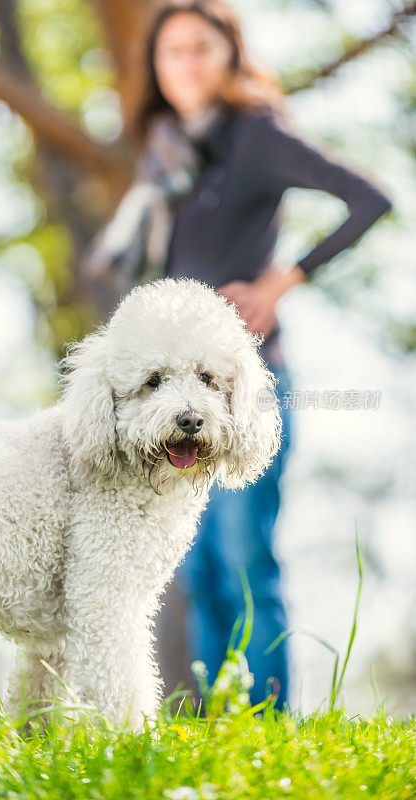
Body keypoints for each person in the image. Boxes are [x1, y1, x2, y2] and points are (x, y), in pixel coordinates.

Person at [81, 0, 393, 713]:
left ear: (230, 54)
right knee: (195, 569)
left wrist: (281, 281)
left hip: (243, 383)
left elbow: (368, 199)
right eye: (172, 52)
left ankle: (271, 726)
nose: (185, 63)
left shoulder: (256, 134)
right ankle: (222, 727)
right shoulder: (166, 153)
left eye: (201, 47)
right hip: (173, 395)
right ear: (155, 68)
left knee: (243, 554)